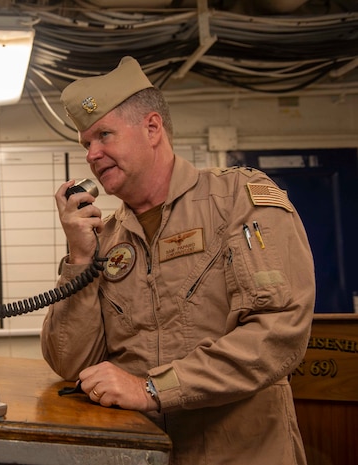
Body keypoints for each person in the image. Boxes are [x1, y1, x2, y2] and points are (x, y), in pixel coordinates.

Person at [41, 56, 315, 465]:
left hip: (239, 453)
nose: (91, 155)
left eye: (104, 136)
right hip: (142, 452)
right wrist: (80, 258)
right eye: (85, 144)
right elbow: (69, 363)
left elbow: (278, 332)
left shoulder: (239, 199)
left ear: (152, 128)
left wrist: (151, 390)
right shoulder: (106, 239)